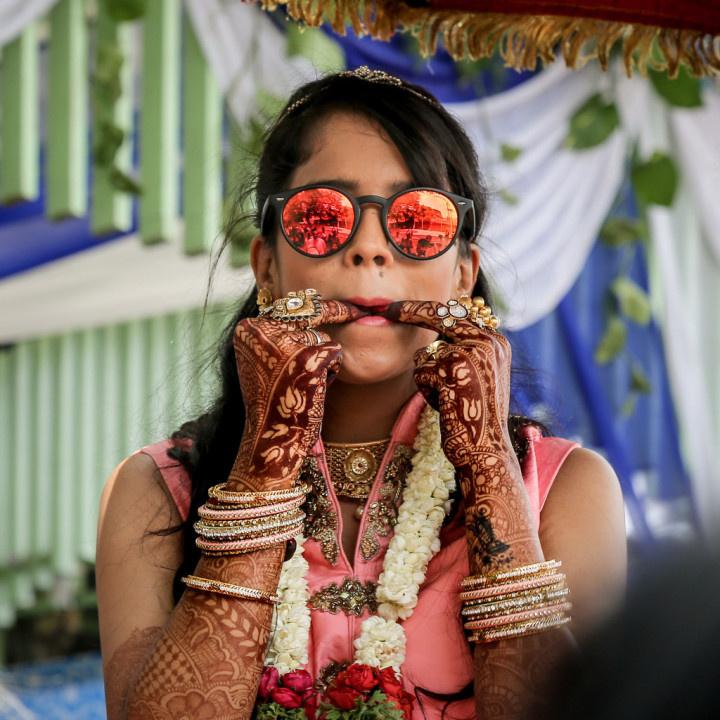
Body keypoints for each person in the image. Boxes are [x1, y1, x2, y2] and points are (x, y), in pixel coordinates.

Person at [95, 67, 627, 720]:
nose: (371, 249)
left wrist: (489, 464)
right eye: (324, 218)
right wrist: (266, 466)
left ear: (463, 275)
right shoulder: (157, 489)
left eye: (416, 222)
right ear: (267, 266)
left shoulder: (563, 490)